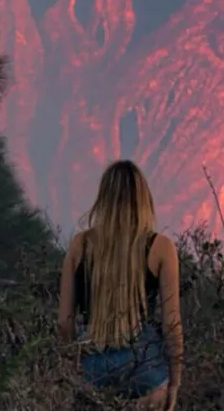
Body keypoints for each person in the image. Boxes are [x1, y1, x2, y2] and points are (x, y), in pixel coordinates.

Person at [58, 160, 184, 410]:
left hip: (93, 365)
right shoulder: (161, 248)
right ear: (143, 198)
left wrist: (73, 366)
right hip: (145, 367)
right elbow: (172, 324)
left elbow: (64, 321)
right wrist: (174, 382)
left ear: (103, 199)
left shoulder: (80, 245)